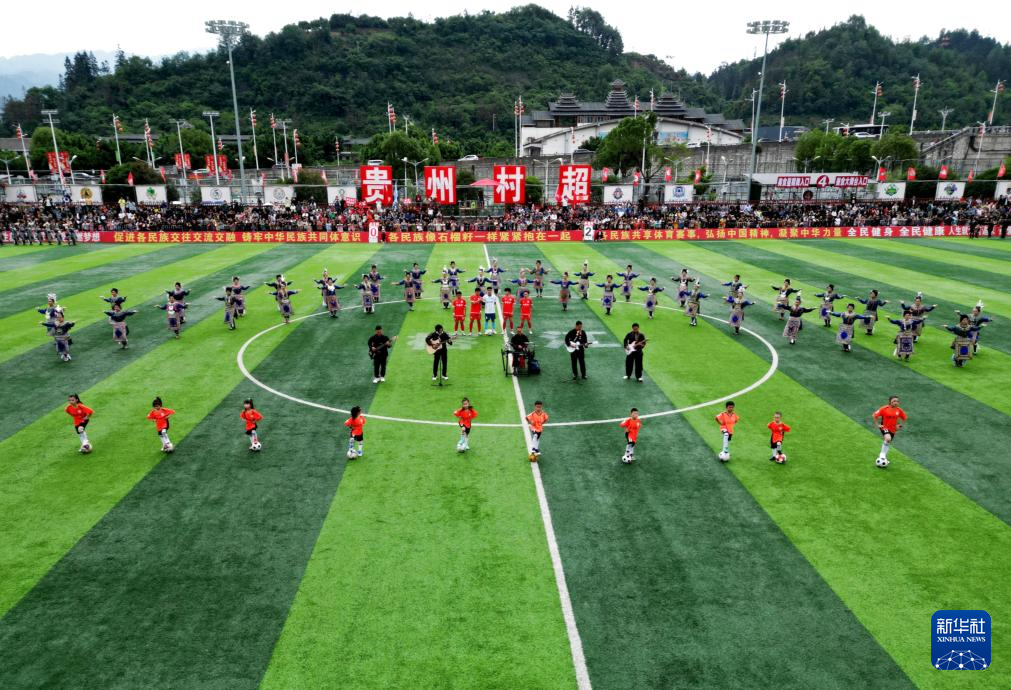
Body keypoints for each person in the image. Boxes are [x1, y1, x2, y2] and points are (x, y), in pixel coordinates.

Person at [872, 395, 906, 465]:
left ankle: (883, 458)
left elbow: (904, 418)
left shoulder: (899, 410)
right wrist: (877, 425)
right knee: (888, 438)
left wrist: (900, 426)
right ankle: (882, 455)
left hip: (893, 429)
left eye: (897, 401)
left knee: (888, 442)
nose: (896, 402)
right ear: (890, 402)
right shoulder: (884, 408)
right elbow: (874, 415)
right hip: (884, 427)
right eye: (894, 401)